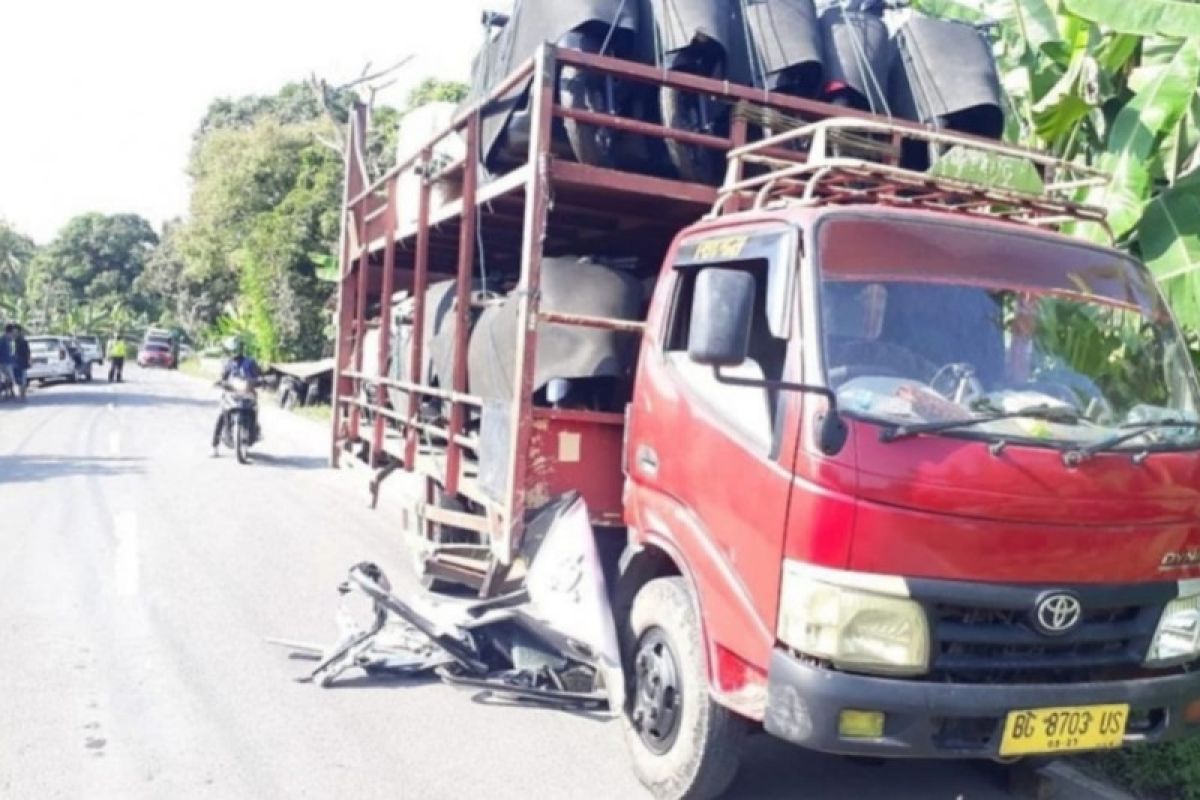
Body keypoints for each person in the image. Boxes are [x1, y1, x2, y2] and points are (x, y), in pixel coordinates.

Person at [212, 339, 262, 456]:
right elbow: (223, 376)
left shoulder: (250, 362)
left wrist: (260, 381)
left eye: (234, 349)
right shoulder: (227, 363)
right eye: (231, 350)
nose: (233, 352)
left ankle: (255, 431)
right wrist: (220, 383)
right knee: (221, 415)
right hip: (231, 393)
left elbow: (259, 374)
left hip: (248, 392)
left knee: (255, 410)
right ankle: (215, 445)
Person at [13, 325, 30, 400]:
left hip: (22, 363)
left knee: (22, 379)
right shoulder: (12, 341)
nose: (14, 333)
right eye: (13, 332)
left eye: (16, 332)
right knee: (18, 380)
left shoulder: (23, 341)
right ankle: (20, 394)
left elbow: (27, 352)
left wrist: (28, 361)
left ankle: (22, 394)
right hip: (14, 364)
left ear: (19, 332)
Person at [0, 325, 15, 399]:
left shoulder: (9, 340)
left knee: (8, 378)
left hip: (8, 361)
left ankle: (9, 393)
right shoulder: (3, 340)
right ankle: (8, 392)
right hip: (4, 362)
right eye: (12, 331)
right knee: (8, 378)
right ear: (10, 331)